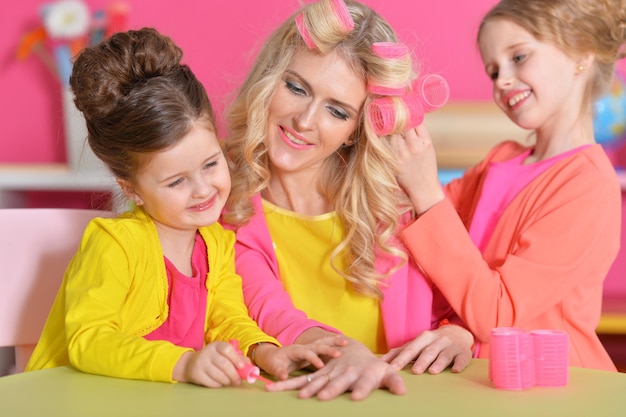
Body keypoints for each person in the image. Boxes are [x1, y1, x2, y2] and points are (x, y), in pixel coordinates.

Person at [25, 27, 342, 386]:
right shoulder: (114, 244)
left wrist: (264, 350)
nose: (203, 189)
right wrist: (183, 365)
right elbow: (89, 341)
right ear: (132, 189)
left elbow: (227, 318)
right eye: (177, 182)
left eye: (211, 164)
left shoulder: (216, 243)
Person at [221, 0, 475, 401]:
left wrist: (459, 334)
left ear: (357, 130)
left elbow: (459, 306)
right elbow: (265, 308)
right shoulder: (218, 201)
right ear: (269, 79)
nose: (305, 120)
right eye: (296, 87)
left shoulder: (392, 212)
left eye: (337, 111)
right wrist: (347, 353)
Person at [393, 0, 626, 371]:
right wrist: (460, 330)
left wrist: (425, 190)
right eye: (493, 70)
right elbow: (428, 245)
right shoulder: (501, 159)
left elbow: (497, 311)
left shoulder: (588, 184)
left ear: (581, 50)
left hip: (554, 386)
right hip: (483, 379)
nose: (501, 80)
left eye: (518, 57)